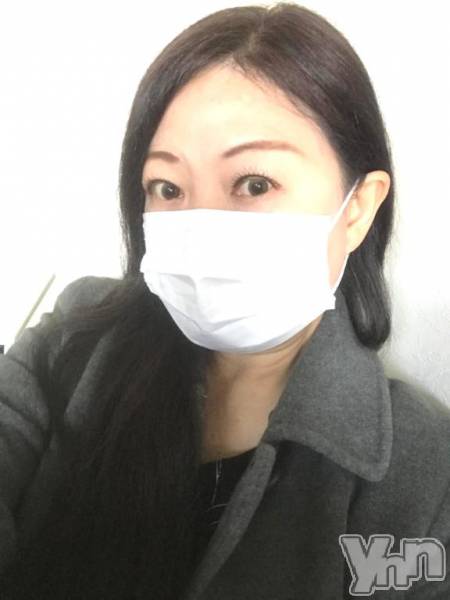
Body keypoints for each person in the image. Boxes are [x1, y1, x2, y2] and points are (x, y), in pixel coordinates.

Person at [0, 3, 449, 599]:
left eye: (254, 184)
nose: (201, 226)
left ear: (358, 208)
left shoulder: (424, 476)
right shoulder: (72, 340)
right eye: (168, 187)